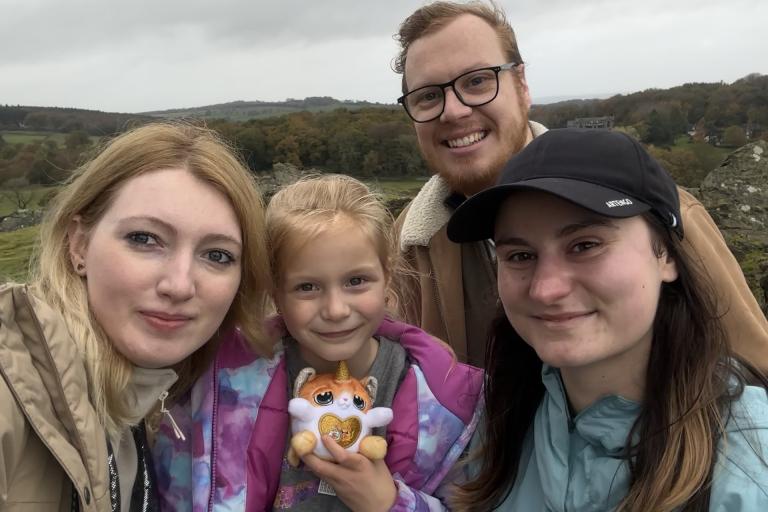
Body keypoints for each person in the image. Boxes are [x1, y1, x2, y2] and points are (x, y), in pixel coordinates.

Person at [391, 0, 768, 369]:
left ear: (522, 85)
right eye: (428, 96)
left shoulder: (653, 211)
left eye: (477, 81)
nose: (454, 110)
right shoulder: (404, 246)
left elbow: (754, 368)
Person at [446, 128, 768, 511]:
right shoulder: (496, 422)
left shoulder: (749, 455)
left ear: (664, 254)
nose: (546, 289)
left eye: (585, 246)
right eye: (520, 255)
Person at [152, 174, 483, 511]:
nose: (336, 310)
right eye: (307, 287)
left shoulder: (450, 403)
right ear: (275, 293)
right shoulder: (215, 383)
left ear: (387, 277)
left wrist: (390, 503)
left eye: (356, 281)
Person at [0, 122, 272, 511]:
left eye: (217, 255)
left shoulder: (145, 404)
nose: (179, 285)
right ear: (78, 244)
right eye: (145, 239)